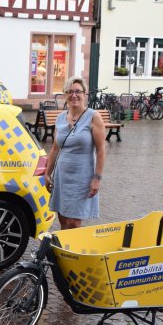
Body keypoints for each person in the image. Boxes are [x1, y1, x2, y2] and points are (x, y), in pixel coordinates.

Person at [43, 77, 106, 230]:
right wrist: (47, 173)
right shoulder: (60, 118)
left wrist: (97, 178)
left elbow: (101, 150)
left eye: (78, 91)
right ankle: (64, 252)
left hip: (82, 177)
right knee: (63, 219)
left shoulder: (93, 117)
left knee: (74, 223)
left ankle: (74, 253)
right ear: (65, 95)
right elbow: (55, 149)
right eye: (69, 92)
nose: (74, 95)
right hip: (62, 176)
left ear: (85, 94)